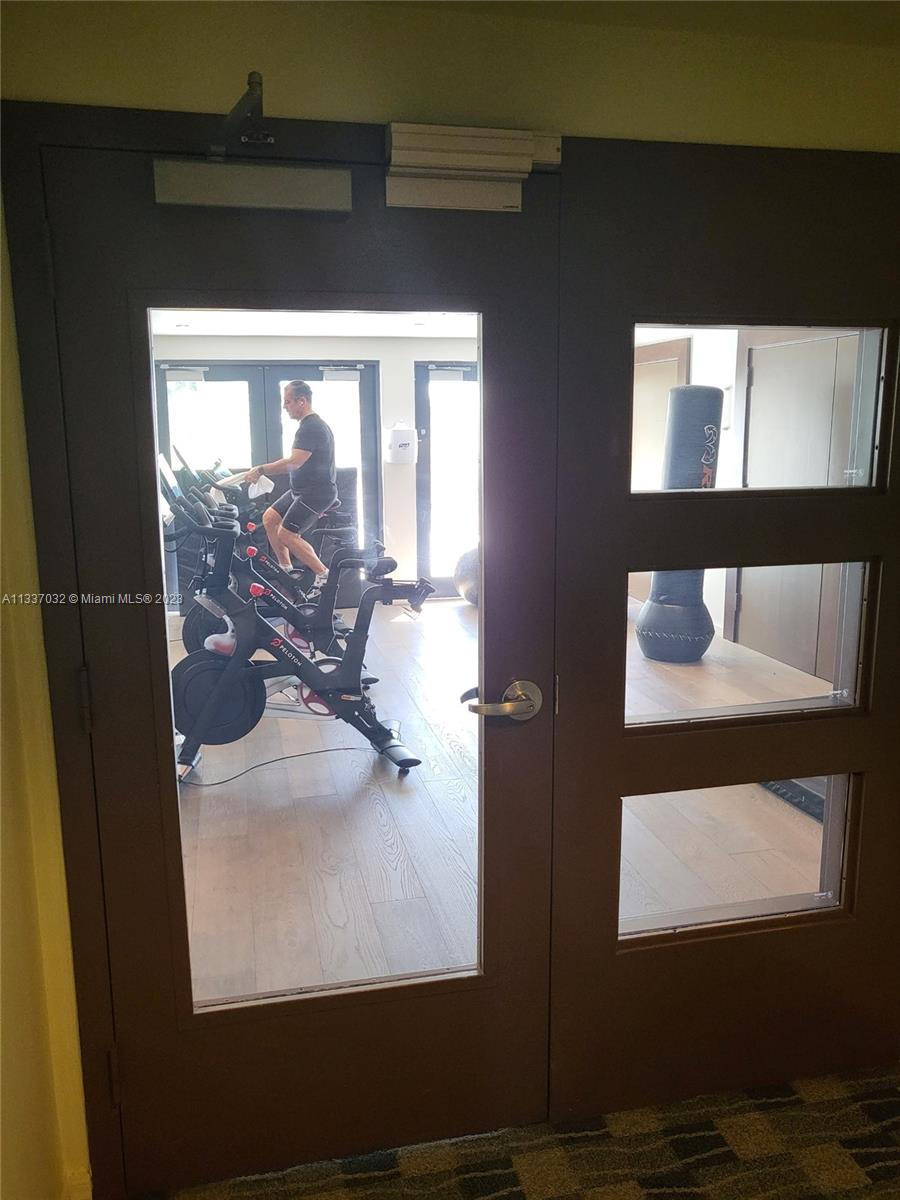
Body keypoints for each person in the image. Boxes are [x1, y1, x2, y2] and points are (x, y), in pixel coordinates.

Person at [245, 380, 337, 581]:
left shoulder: (311, 427)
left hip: (316, 493)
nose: (284, 407)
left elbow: (294, 462)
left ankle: (324, 576)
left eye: (288, 402)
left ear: (301, 401)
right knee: (270, 518)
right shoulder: (307, 426)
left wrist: (261, 470)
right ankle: (286, 572)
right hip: (301, 490)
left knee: (287, 534)